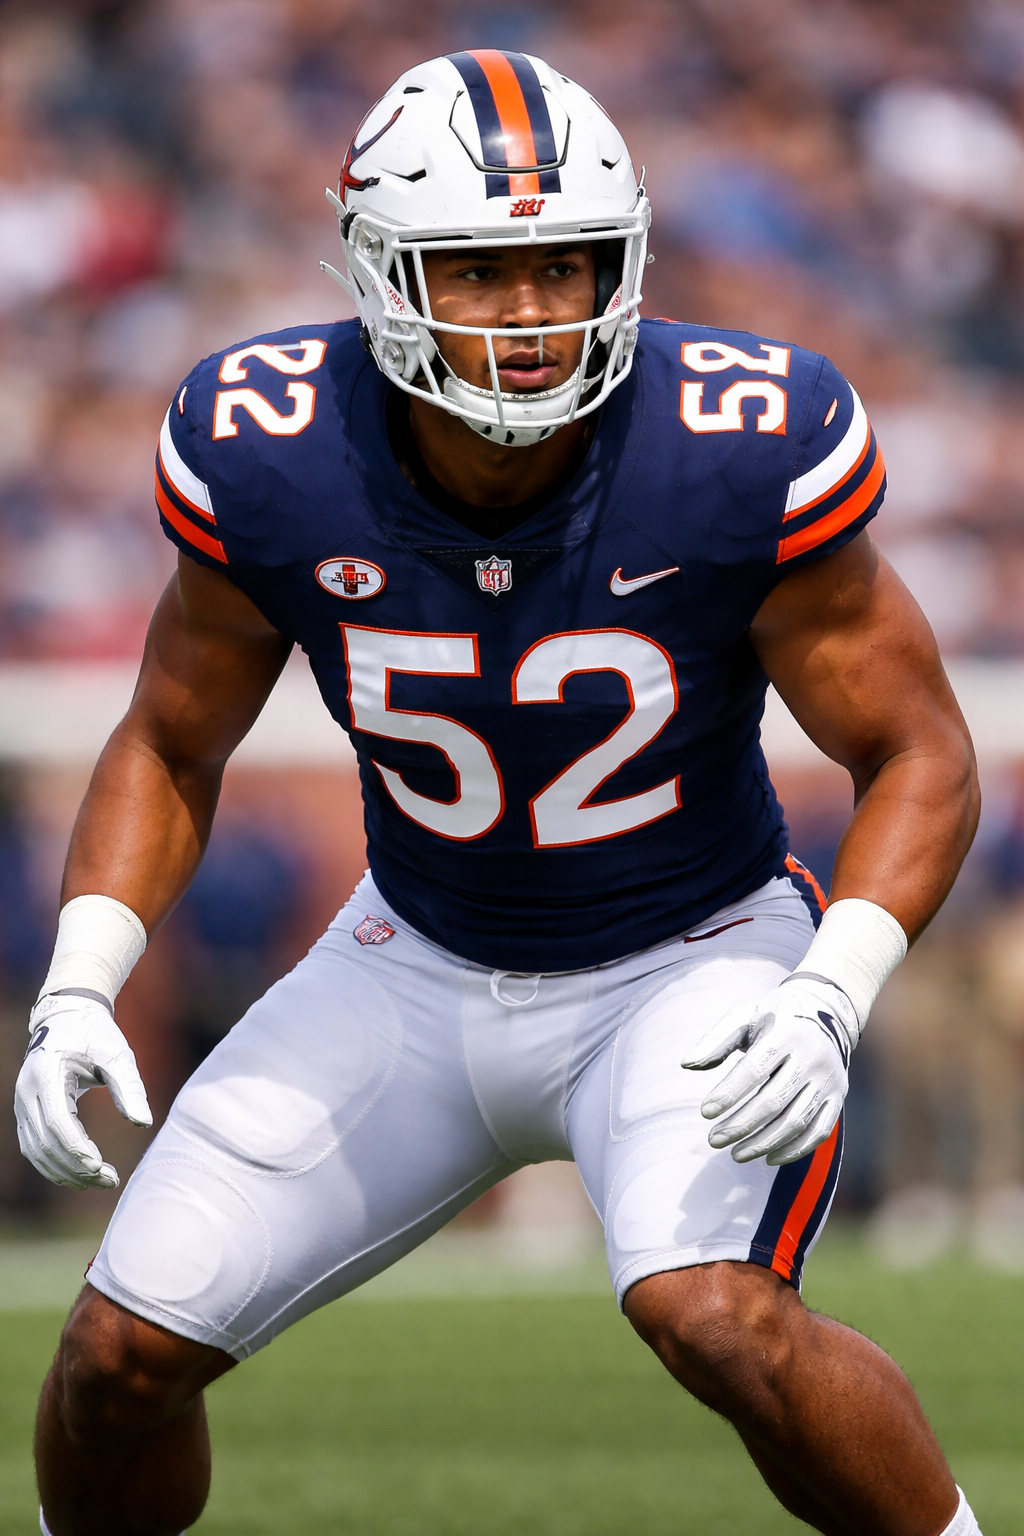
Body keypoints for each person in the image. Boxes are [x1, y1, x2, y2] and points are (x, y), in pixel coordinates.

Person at [15, 50, 981, 1536]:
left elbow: (919, 750)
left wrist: (832, 992)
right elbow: (170, 739)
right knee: (114, 1360)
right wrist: (81, 981)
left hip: (692, 951)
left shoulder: (733, 442)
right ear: (380, 270)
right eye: (477, 270)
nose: (532, 312)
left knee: (717, 1316)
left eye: (563, 264)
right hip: (412, 959)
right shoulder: (272, 449)